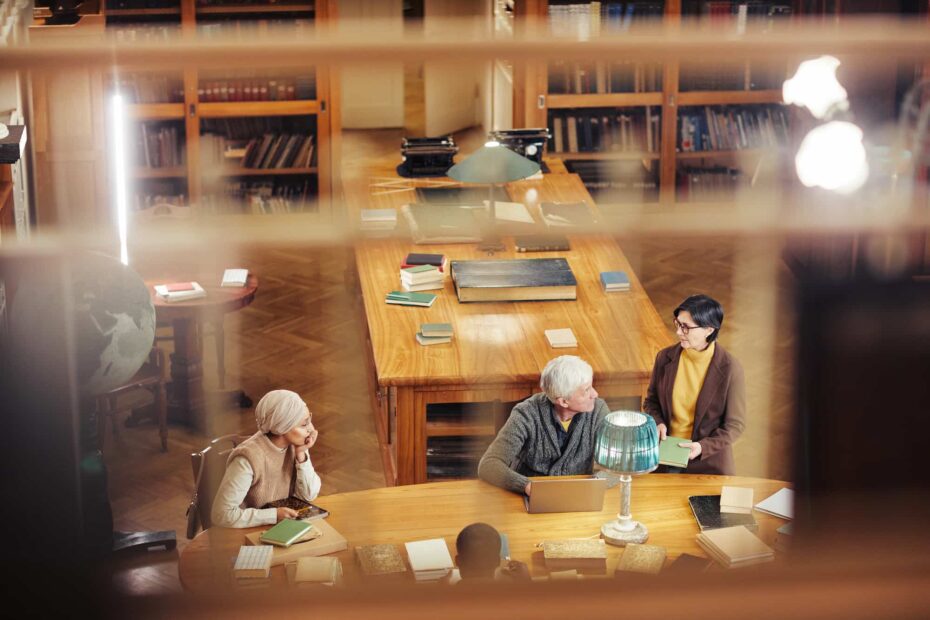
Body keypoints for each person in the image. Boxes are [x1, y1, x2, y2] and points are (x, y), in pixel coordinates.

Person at [643, 294, 746, 475]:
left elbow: (734, 425)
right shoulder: (664, 357)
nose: (678, 332)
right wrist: (657, 423)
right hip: (664, 456)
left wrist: (702, 446)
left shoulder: (731, 369)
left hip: (706, 463)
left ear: (708, 329)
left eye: (686, 327)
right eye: (678, 324)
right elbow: (651, 402)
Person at [477, 355, 609, 496]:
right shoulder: (526, 414)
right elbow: (489, 465)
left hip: (578, 495)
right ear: (563, 401)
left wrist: (594, 484)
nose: (595, 394)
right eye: (587, 390)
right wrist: (526, 486)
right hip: (529, 497)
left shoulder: (598, 410)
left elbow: (620, 466)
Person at [211, 389, 322, 528]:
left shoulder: (295, 446)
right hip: (250, 533)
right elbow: (221, 514)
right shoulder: (247, 459)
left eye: (309, 420)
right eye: (304, 424)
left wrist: (301, 455)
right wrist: (274, 515)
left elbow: (309, 495)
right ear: (282, 427)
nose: (311, 429)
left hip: (281, 528)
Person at [455, 522, 529, 582]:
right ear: (498, 561)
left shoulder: (445, 596)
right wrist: (526, 582)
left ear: (457, 561)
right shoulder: (516, 597)